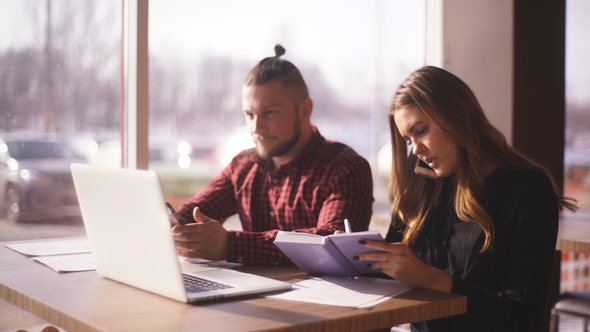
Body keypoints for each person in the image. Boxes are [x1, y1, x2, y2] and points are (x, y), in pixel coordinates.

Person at [357, 66, 578, 331]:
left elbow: (523, 319)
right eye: (408, 140)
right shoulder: (420, 179)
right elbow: (388, 278)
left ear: (457, 113)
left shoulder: (528, 190)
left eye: (422, 130)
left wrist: (432, 279)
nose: (416, 149)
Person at [172, 45, 374, 266]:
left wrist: (231, 245)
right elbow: (190, 215)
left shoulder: (346, 168)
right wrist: (172, 224)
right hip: (255, 295)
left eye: (270, 113)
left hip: (323, 299)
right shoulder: (242, 166)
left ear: (305, 110)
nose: (256, 127)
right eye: (249, 115)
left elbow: (331, 245)